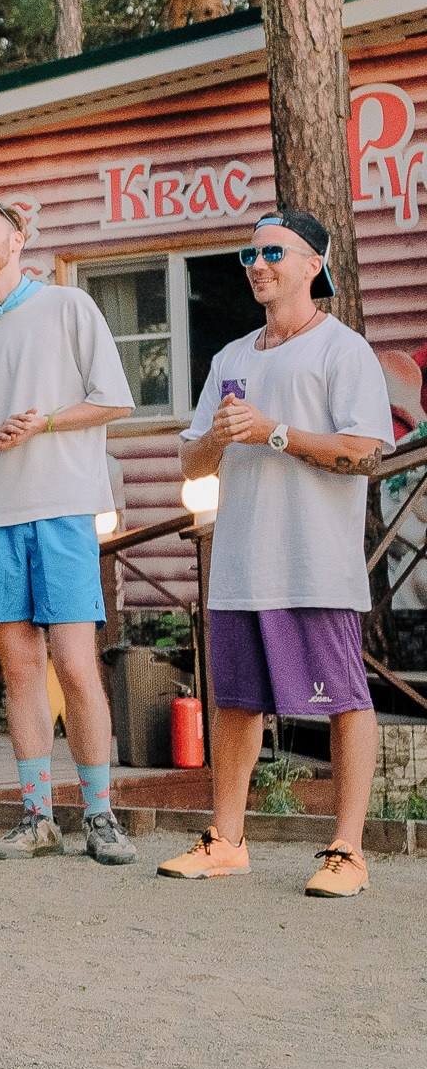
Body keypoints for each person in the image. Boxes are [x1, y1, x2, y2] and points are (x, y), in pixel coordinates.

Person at [159, 209, 393, 896]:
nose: (257, 264)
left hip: (313, 563)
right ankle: (226, 840)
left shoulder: (341, 351)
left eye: (273, 252)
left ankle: (347, 851)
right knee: (235, 702)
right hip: (239, 565)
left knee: (345, 700)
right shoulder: (230, 358)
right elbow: (192, 463)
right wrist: (218, 441)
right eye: (248, 254)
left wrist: (274, 433)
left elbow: (363, 452)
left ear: (313, 265)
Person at [0, 199, 137, 864]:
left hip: (62, 509)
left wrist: (46, 424)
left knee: (77, 667)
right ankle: (36, 817)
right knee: (20, 670)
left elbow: (115, 398)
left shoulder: (67, 308)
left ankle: (101, 816)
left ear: (18, 240)